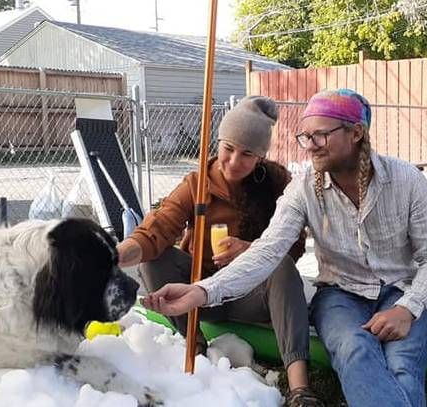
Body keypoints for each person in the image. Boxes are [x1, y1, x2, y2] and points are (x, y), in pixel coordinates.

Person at [141, 89, 427, 407]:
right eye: (305, 136)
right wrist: (202, 292)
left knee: (404, 365)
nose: (310, 145)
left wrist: (408, 307)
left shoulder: (406, 180)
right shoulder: (303, 190)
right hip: (339, 295)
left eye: (320, 135)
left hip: (401, 290)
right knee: (354, 348)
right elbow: (267, 252)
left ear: (356, 132)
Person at [118, 96, 324, 407]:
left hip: (250, 296)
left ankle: (299, 387)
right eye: (228, 148)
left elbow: (294, 245)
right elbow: (156, 230)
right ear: (219, 142)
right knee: (156, 256)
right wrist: (113, 255)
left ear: (260, 157)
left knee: (280, 265)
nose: (233, 161)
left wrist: (251, 250)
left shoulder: (277, 181)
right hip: (196, 294)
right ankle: (197, 348)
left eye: (247, 154)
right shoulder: (197, 182)